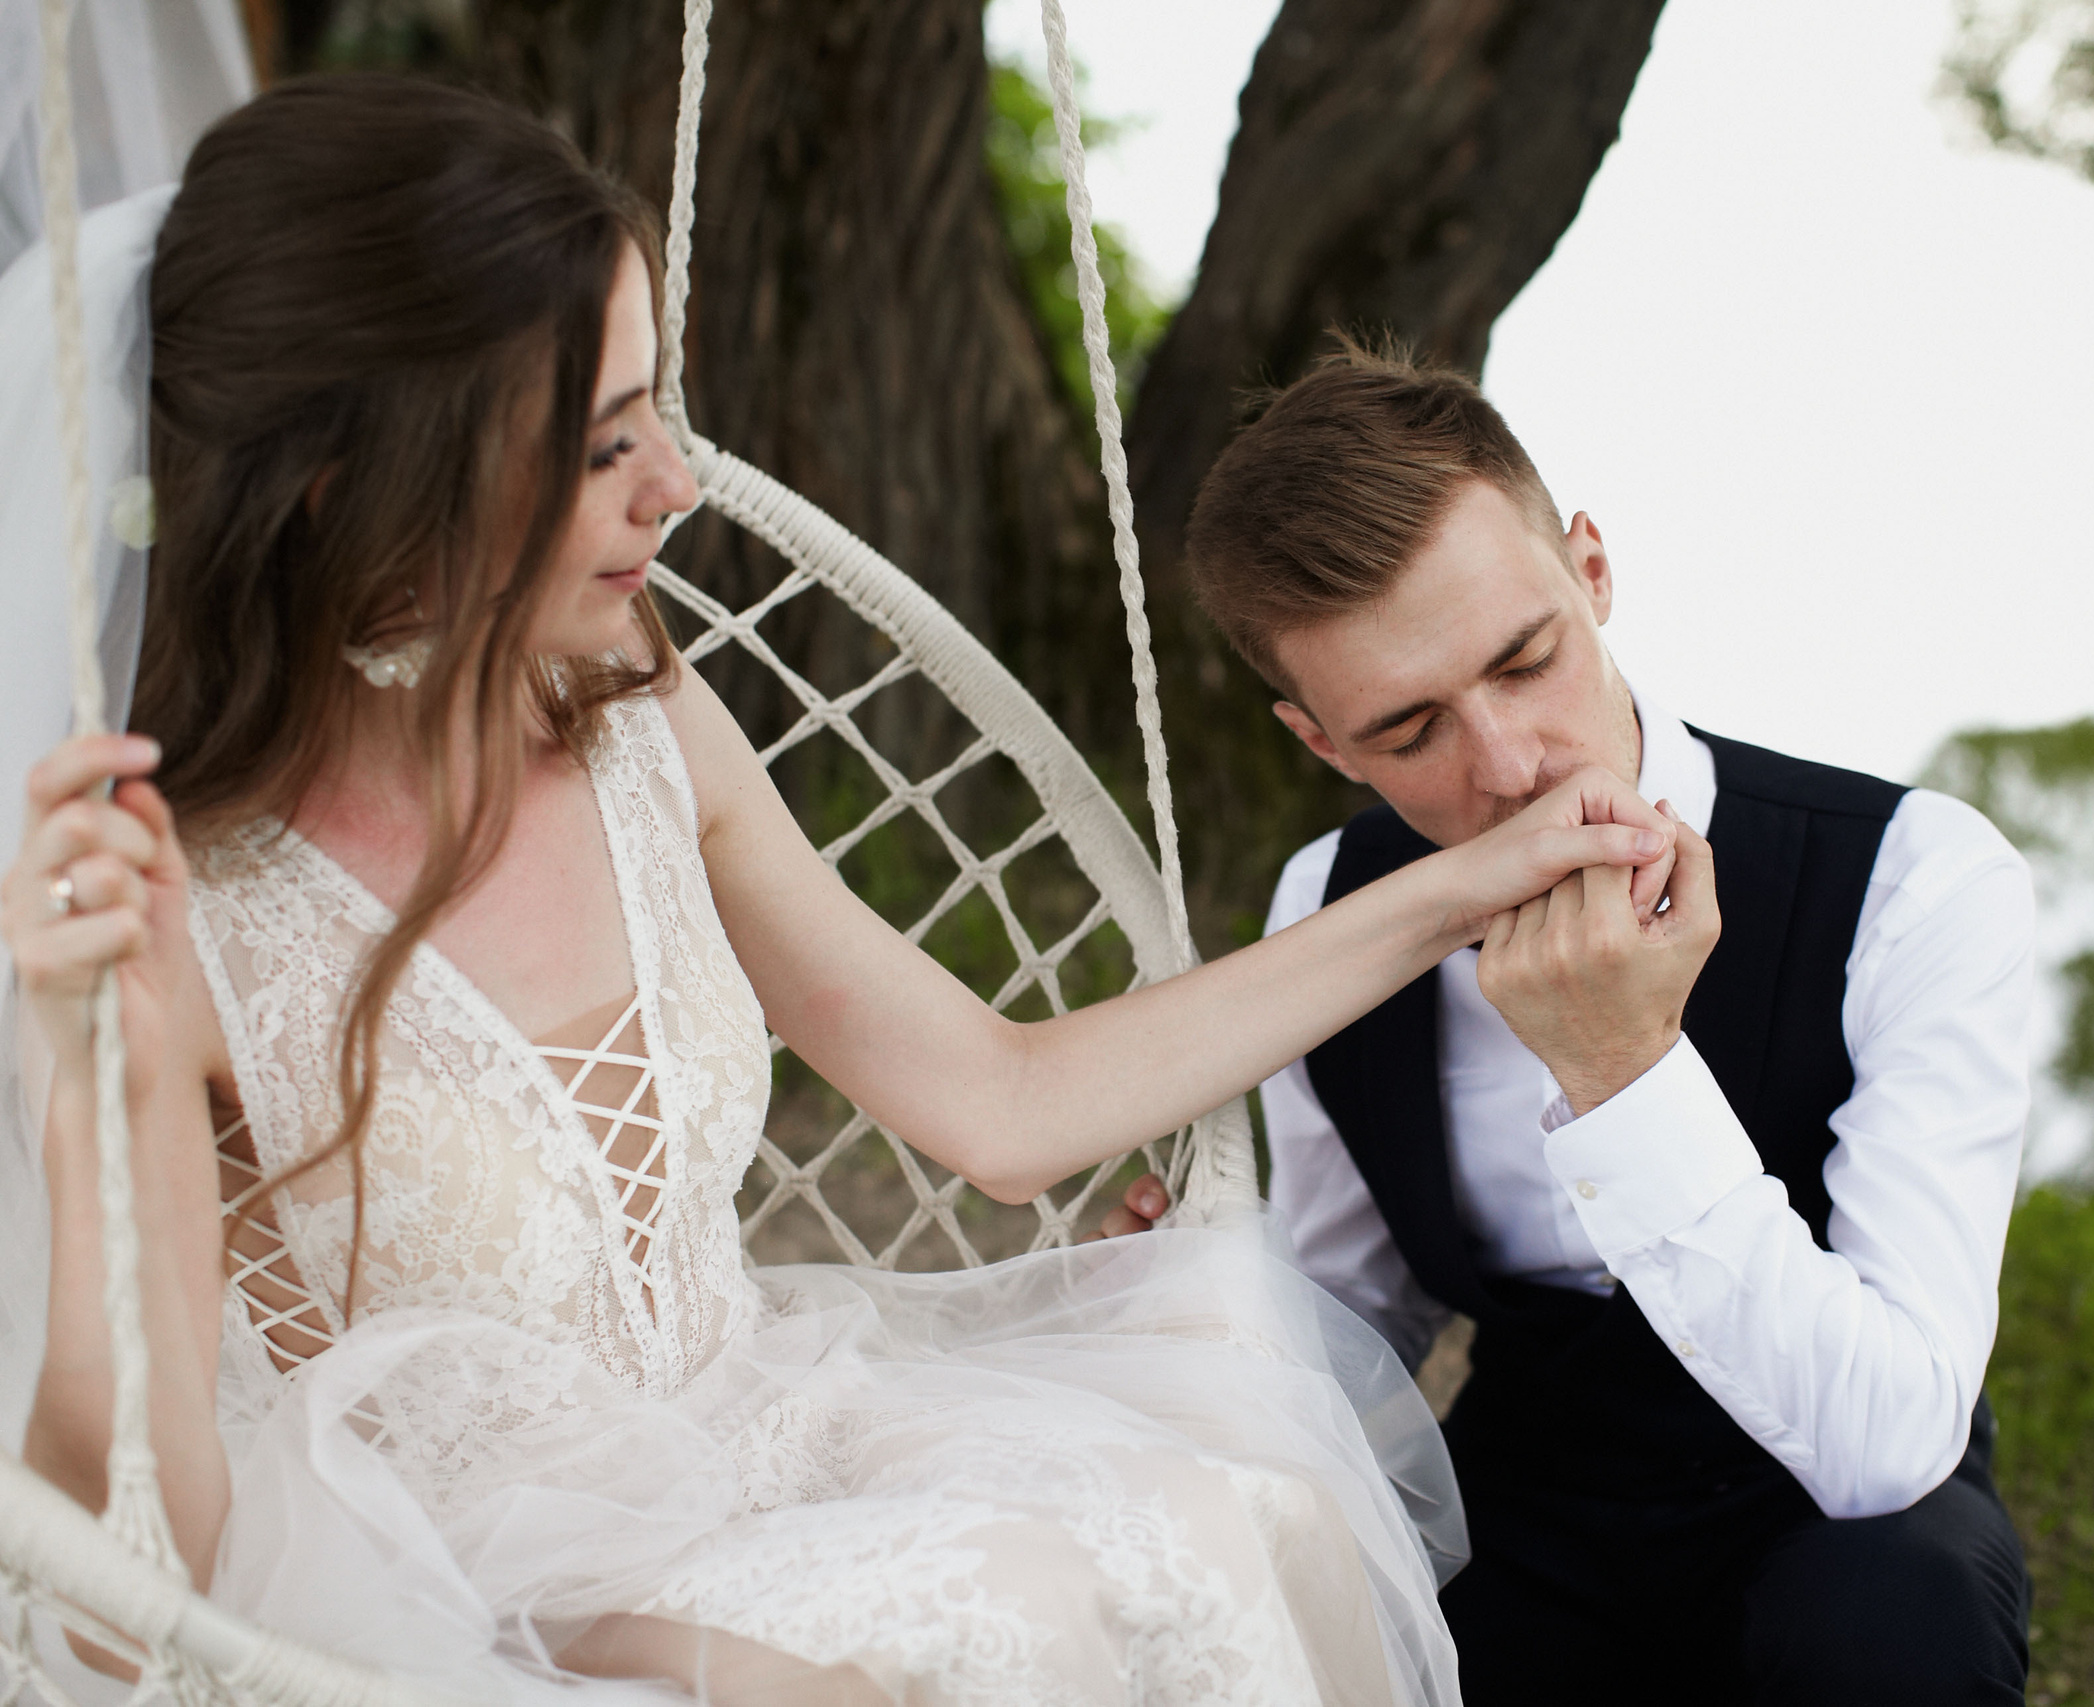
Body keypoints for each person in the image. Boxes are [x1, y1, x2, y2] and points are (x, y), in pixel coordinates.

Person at [0, 78, 1701, 1705]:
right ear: (349, 474)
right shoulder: (172, 909)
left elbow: (1002, 1102)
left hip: (758, 1428)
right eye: (601, 447)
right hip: (457, 1587)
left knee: (1214, 1520)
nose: (676, 483)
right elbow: (142, 1532)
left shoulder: (634, 717)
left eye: (653, 407)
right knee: (985, 1625)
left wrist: (1462, 883)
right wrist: (93, 1069)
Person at [1116, 341, 2039, 1705]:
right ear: (1322, 743)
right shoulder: (1330, 901)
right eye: (1408, 730)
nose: (1506, 767)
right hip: (1526, 1505)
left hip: (1842, 1518)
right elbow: (1366, 1298)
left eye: (1527, 660)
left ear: (1593, 573)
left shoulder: (1921, 880)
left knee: (1890, 1628)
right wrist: (1216, 1306)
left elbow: (1891, 1442)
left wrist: (1621, 1072)